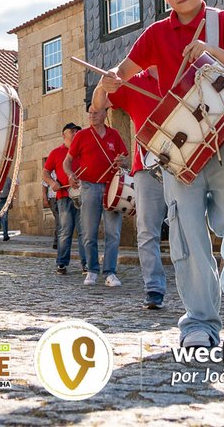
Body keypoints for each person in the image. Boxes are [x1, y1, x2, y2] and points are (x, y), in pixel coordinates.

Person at [96, 0, 224, 347]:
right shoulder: (155, 34)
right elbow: (123, 72)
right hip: (178, 152)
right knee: (188, 237)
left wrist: (210, 51)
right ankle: (200, 323)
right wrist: (112, 81)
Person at [91, 70, 169, 308]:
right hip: (146, 167)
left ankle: (197, 289)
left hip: (184, 163)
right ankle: (154, 287)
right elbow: (99, 103)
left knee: (188, 228)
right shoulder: (135, 82)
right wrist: (103, 84)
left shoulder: (179, 73)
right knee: (146, 231)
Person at [65, 105, 129, 288]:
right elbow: (67, 162)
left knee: (113, 233)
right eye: (90, 113)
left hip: (112, 187)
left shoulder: (114, 135)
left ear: (105, 114)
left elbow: (125, 159)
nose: (91, 115)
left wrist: (122, 161)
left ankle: (110, 272)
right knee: (88, 232)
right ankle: (92, 270)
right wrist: (70, 175)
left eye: (95, 112)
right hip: (89, 186)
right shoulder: (82, 136)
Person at [42, 123, 82, 274]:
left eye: (78, 131)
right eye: (72, 131)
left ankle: (87, 265)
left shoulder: (83, 151)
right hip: (64, 197)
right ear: (63, 135)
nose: (75, 133)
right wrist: (52, 183)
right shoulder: (56, 152)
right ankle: (61, 263)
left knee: (84, 231)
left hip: (83, 196)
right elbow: (45, 173)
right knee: (65, 231)